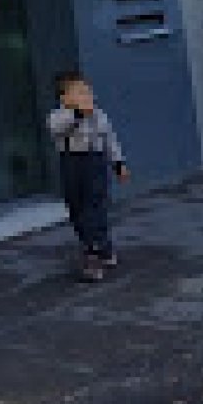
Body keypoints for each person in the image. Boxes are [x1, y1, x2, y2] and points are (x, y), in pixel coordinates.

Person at [47, 70, 129, 283]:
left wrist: (118, 163)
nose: (87, 96)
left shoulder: (99, 116)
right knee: (77, 208)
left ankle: (93, 253)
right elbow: (56, 129)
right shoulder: (59, 116)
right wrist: (78, 114)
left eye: (88, 91)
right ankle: (100, 244)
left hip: (95, 163)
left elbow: (110, 140)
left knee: (95, 207)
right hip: (72, 164)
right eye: (80, 93)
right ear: (64, 99)